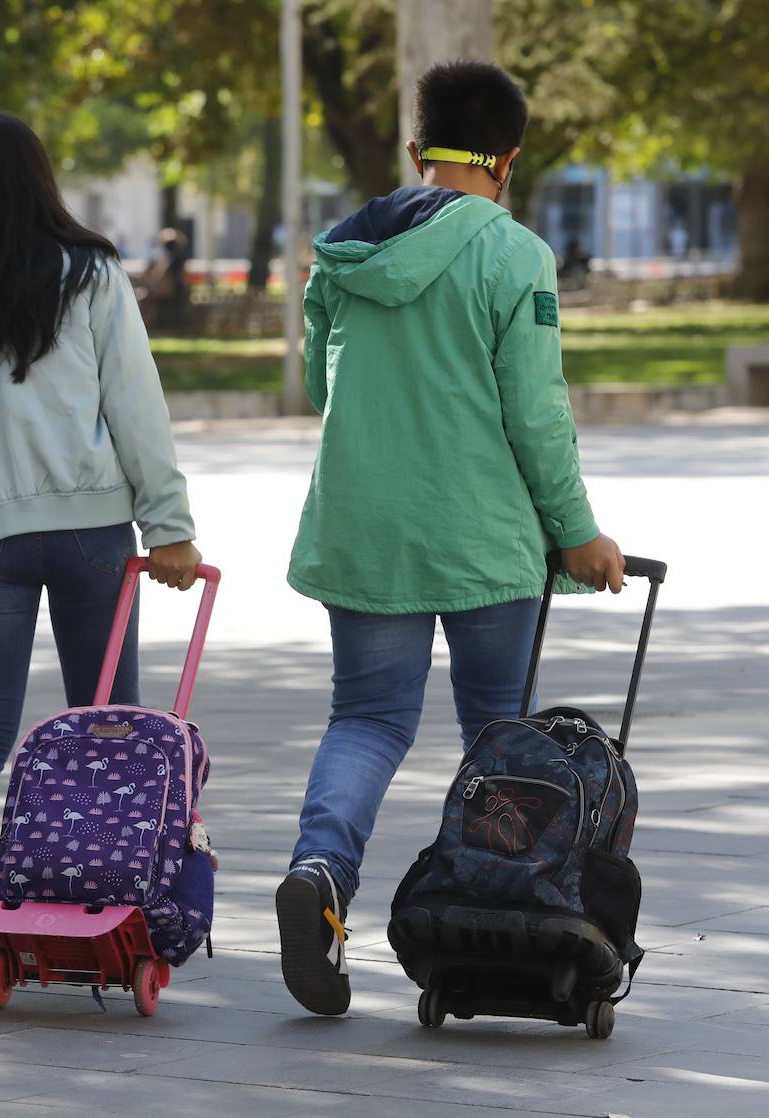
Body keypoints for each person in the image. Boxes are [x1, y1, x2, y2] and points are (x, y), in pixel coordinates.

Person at [276, 61, 626, 1016]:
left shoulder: (345, 248)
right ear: (507, 162)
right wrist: (579, 533)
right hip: (484, 539)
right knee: (500, 739)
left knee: (369, 719)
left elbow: (320, 382)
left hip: (368, 530)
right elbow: (537, 416)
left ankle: (321, 874)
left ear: (413, 150)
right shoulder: (514, 257)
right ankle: (501, 922)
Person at [0, 112, 201, 984]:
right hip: (90, 528)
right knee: (110, 729)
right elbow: (133, 403)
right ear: (39, 180)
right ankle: (109, 911)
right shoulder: (91, 272)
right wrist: (168, 523)